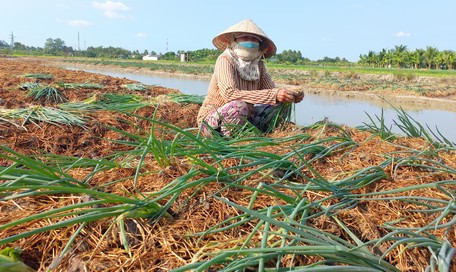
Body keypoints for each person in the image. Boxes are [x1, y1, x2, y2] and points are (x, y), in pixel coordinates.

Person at [197, 19, 304, 138]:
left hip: (246, 118)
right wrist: (274, 94)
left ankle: (263, 132)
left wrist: (290, 93)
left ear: (260, 44)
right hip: (213, 121)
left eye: (254, 39)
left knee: (281, 102)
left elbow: (270, 90)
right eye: (245, 38)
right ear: (235, 40)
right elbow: (229, 94)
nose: (250, 42)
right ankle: (228, 141)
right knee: (239, 106)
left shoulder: (258, 65)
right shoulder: (225, 60)